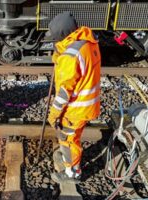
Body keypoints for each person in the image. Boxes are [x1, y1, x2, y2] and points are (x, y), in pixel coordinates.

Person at [47, 12, 101, 183]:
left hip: (76, 108)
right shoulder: (87, 43)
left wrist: (54, 114)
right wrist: (60, 55)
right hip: (89, 104)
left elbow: (64, 91)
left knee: (67, 139)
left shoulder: (70, 56)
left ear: (62, 36)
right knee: (74, 136)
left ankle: (72, 173)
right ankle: (69, 159)